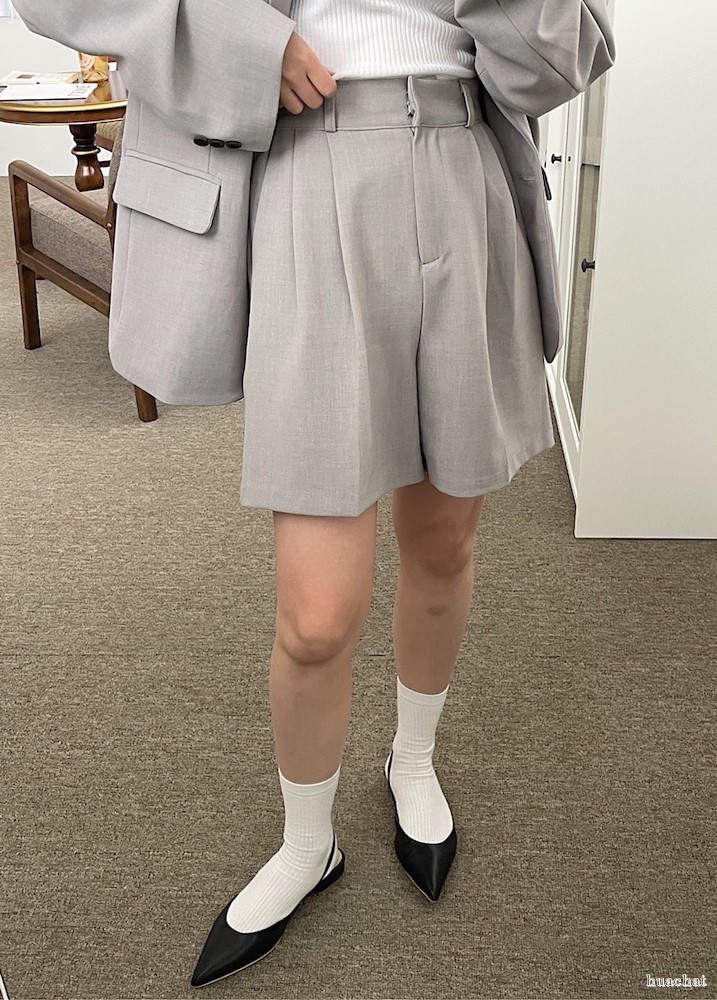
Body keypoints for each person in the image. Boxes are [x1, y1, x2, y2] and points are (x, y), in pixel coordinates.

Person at [190, 0, 557, 988]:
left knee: (444, 541)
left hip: (466, 161)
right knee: (316, 616)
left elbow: (560, 57)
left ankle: (412, 759)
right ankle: (307, 843)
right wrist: (241, 42)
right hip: (310, 162)